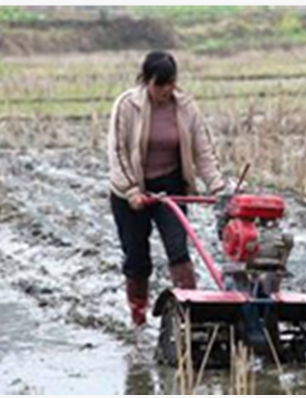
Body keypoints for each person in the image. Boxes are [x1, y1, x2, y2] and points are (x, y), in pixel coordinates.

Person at [108, 51, 225, 327]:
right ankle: (138, 313)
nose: (166, 91)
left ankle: (191, 312)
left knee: (179, 251)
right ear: (146, 81)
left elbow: (203, 150)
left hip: (170, 186)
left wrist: (218, 187)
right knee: (137, 258)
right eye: (160, 85)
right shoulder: (127, 105)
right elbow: (117, 151)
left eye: (170, 84)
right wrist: (131, 190)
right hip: (131, 192)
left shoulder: (185, 107)